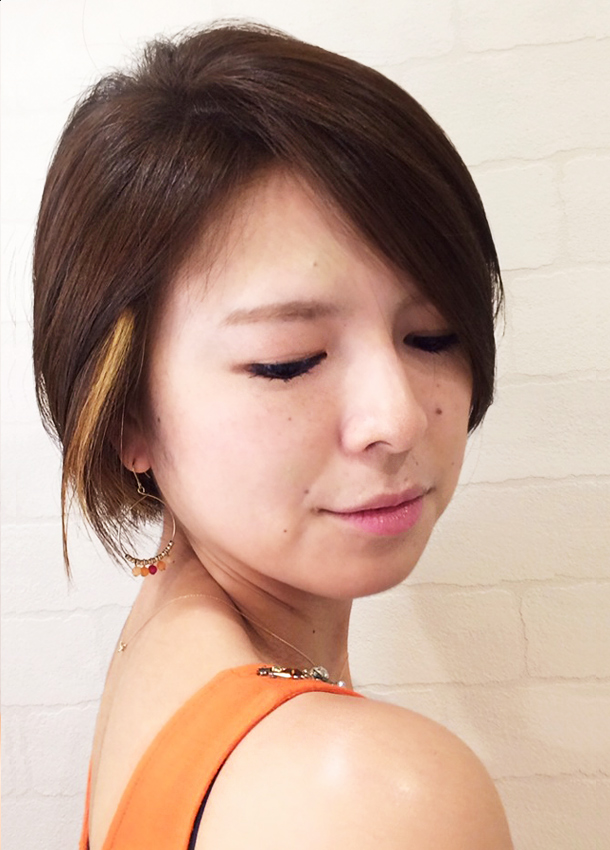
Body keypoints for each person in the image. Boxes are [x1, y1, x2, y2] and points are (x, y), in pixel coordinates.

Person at [33, 21, 513, 850]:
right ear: (126, 414)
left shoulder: (165, 639)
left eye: (432, 336)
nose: (396, 418)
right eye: (288, 361)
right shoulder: (372, 799)